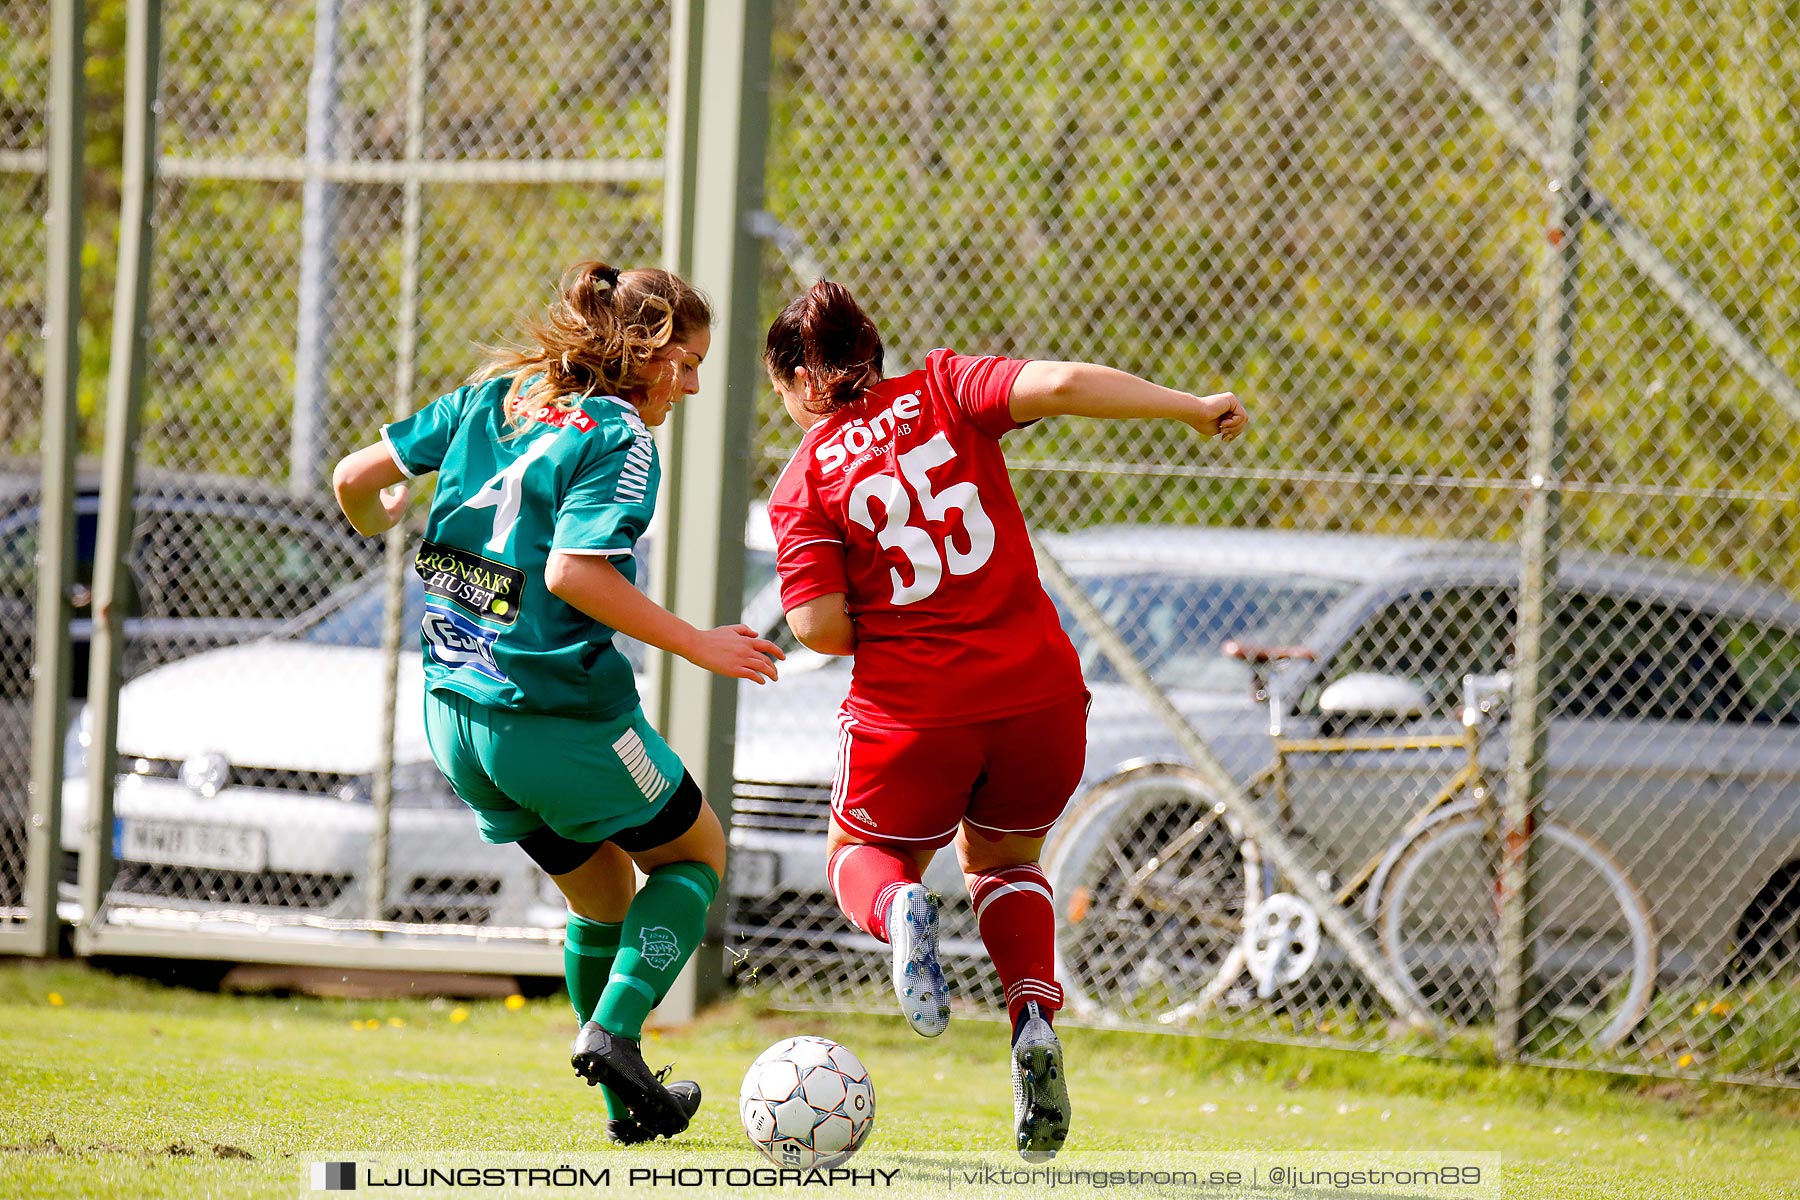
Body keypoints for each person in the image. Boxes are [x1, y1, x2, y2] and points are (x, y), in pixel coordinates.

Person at [763, 280, 1246, 1161]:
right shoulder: (946, 388)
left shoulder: (803, 482)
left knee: (858, 859)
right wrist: (1188, 407)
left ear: (797, 380)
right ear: (873, 350)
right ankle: (1031, 1018)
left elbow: (818, 628)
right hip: (1041, 698)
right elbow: (1061, 386)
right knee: (1004, 859)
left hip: (914, 711)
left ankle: (903, 906)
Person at [331, 260, 782, 1143]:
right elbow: (571, 571)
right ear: (639, 351)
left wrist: (385, 515)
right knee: (694, 856)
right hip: (554, 718)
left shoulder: (492, 397)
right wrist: (697, 642)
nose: (689, 384)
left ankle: (627, 1108)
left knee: (604, 896)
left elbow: (355, 478)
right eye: (683, 362)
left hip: (453, 715)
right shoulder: (620, 438)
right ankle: (615, 1030)